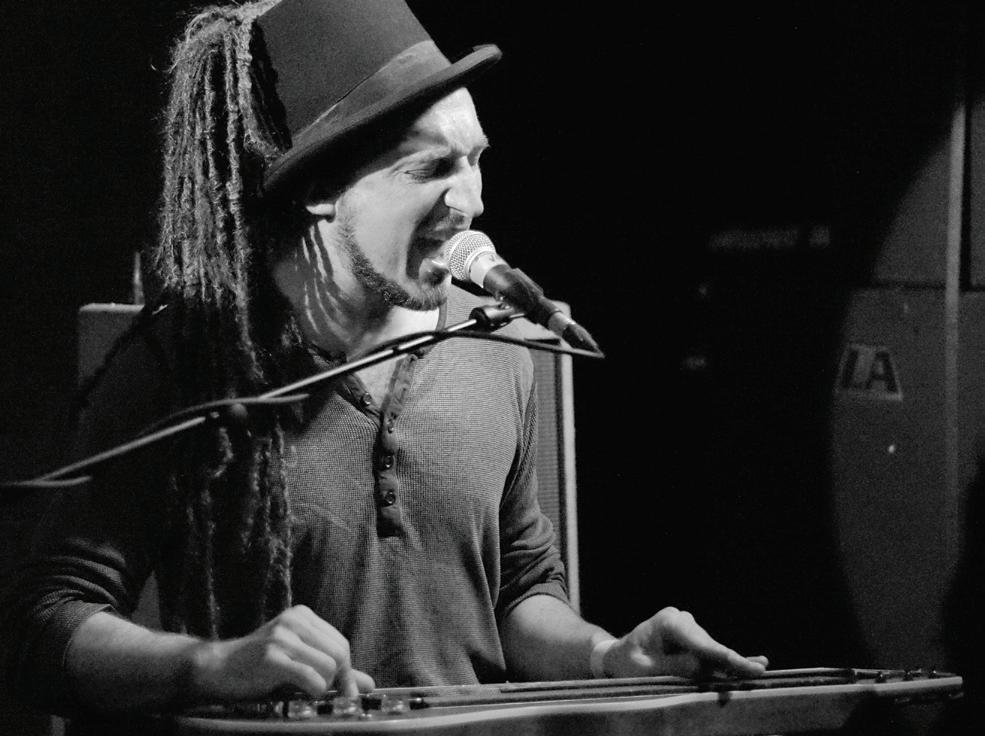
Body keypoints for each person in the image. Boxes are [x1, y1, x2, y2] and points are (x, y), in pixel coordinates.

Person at [0, 0, 767, 725]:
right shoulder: (188, 361)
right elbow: (42, 623)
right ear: (320, 188)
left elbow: (518, 588)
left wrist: (606, 656)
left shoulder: (496, 344)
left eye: (474, 160)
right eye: (429, 169)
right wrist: (214, 665)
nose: (470, 201)